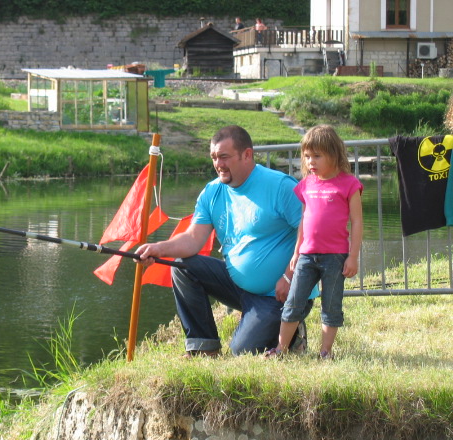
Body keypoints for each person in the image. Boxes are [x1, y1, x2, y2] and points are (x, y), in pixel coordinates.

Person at [136, 125, 316, 357]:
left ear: (247, 155)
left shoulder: (281, 186)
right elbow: (192, 239)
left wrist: (289, 276)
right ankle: (204, 347)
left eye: (224, 156)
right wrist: (157, 249)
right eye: (214, 157)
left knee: (242, 354)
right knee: (182, 266)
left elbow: (311, 233)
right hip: (239, 287)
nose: (218, 164)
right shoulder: (212, 192)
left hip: (282, 293)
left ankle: (293, 331)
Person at [265, 125, 363, 360]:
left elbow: (357, 222)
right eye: (307, 156)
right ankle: (281, 349)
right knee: (293, 302)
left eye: (317, 156)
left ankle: (325, 352)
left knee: (331, 305)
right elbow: (304, 221)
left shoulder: (349, 184)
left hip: (335, 257)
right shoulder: (306, 184)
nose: (311, 161)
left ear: (334, 154)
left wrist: (353, 256)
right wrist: (296, 252)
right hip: (307, 256)